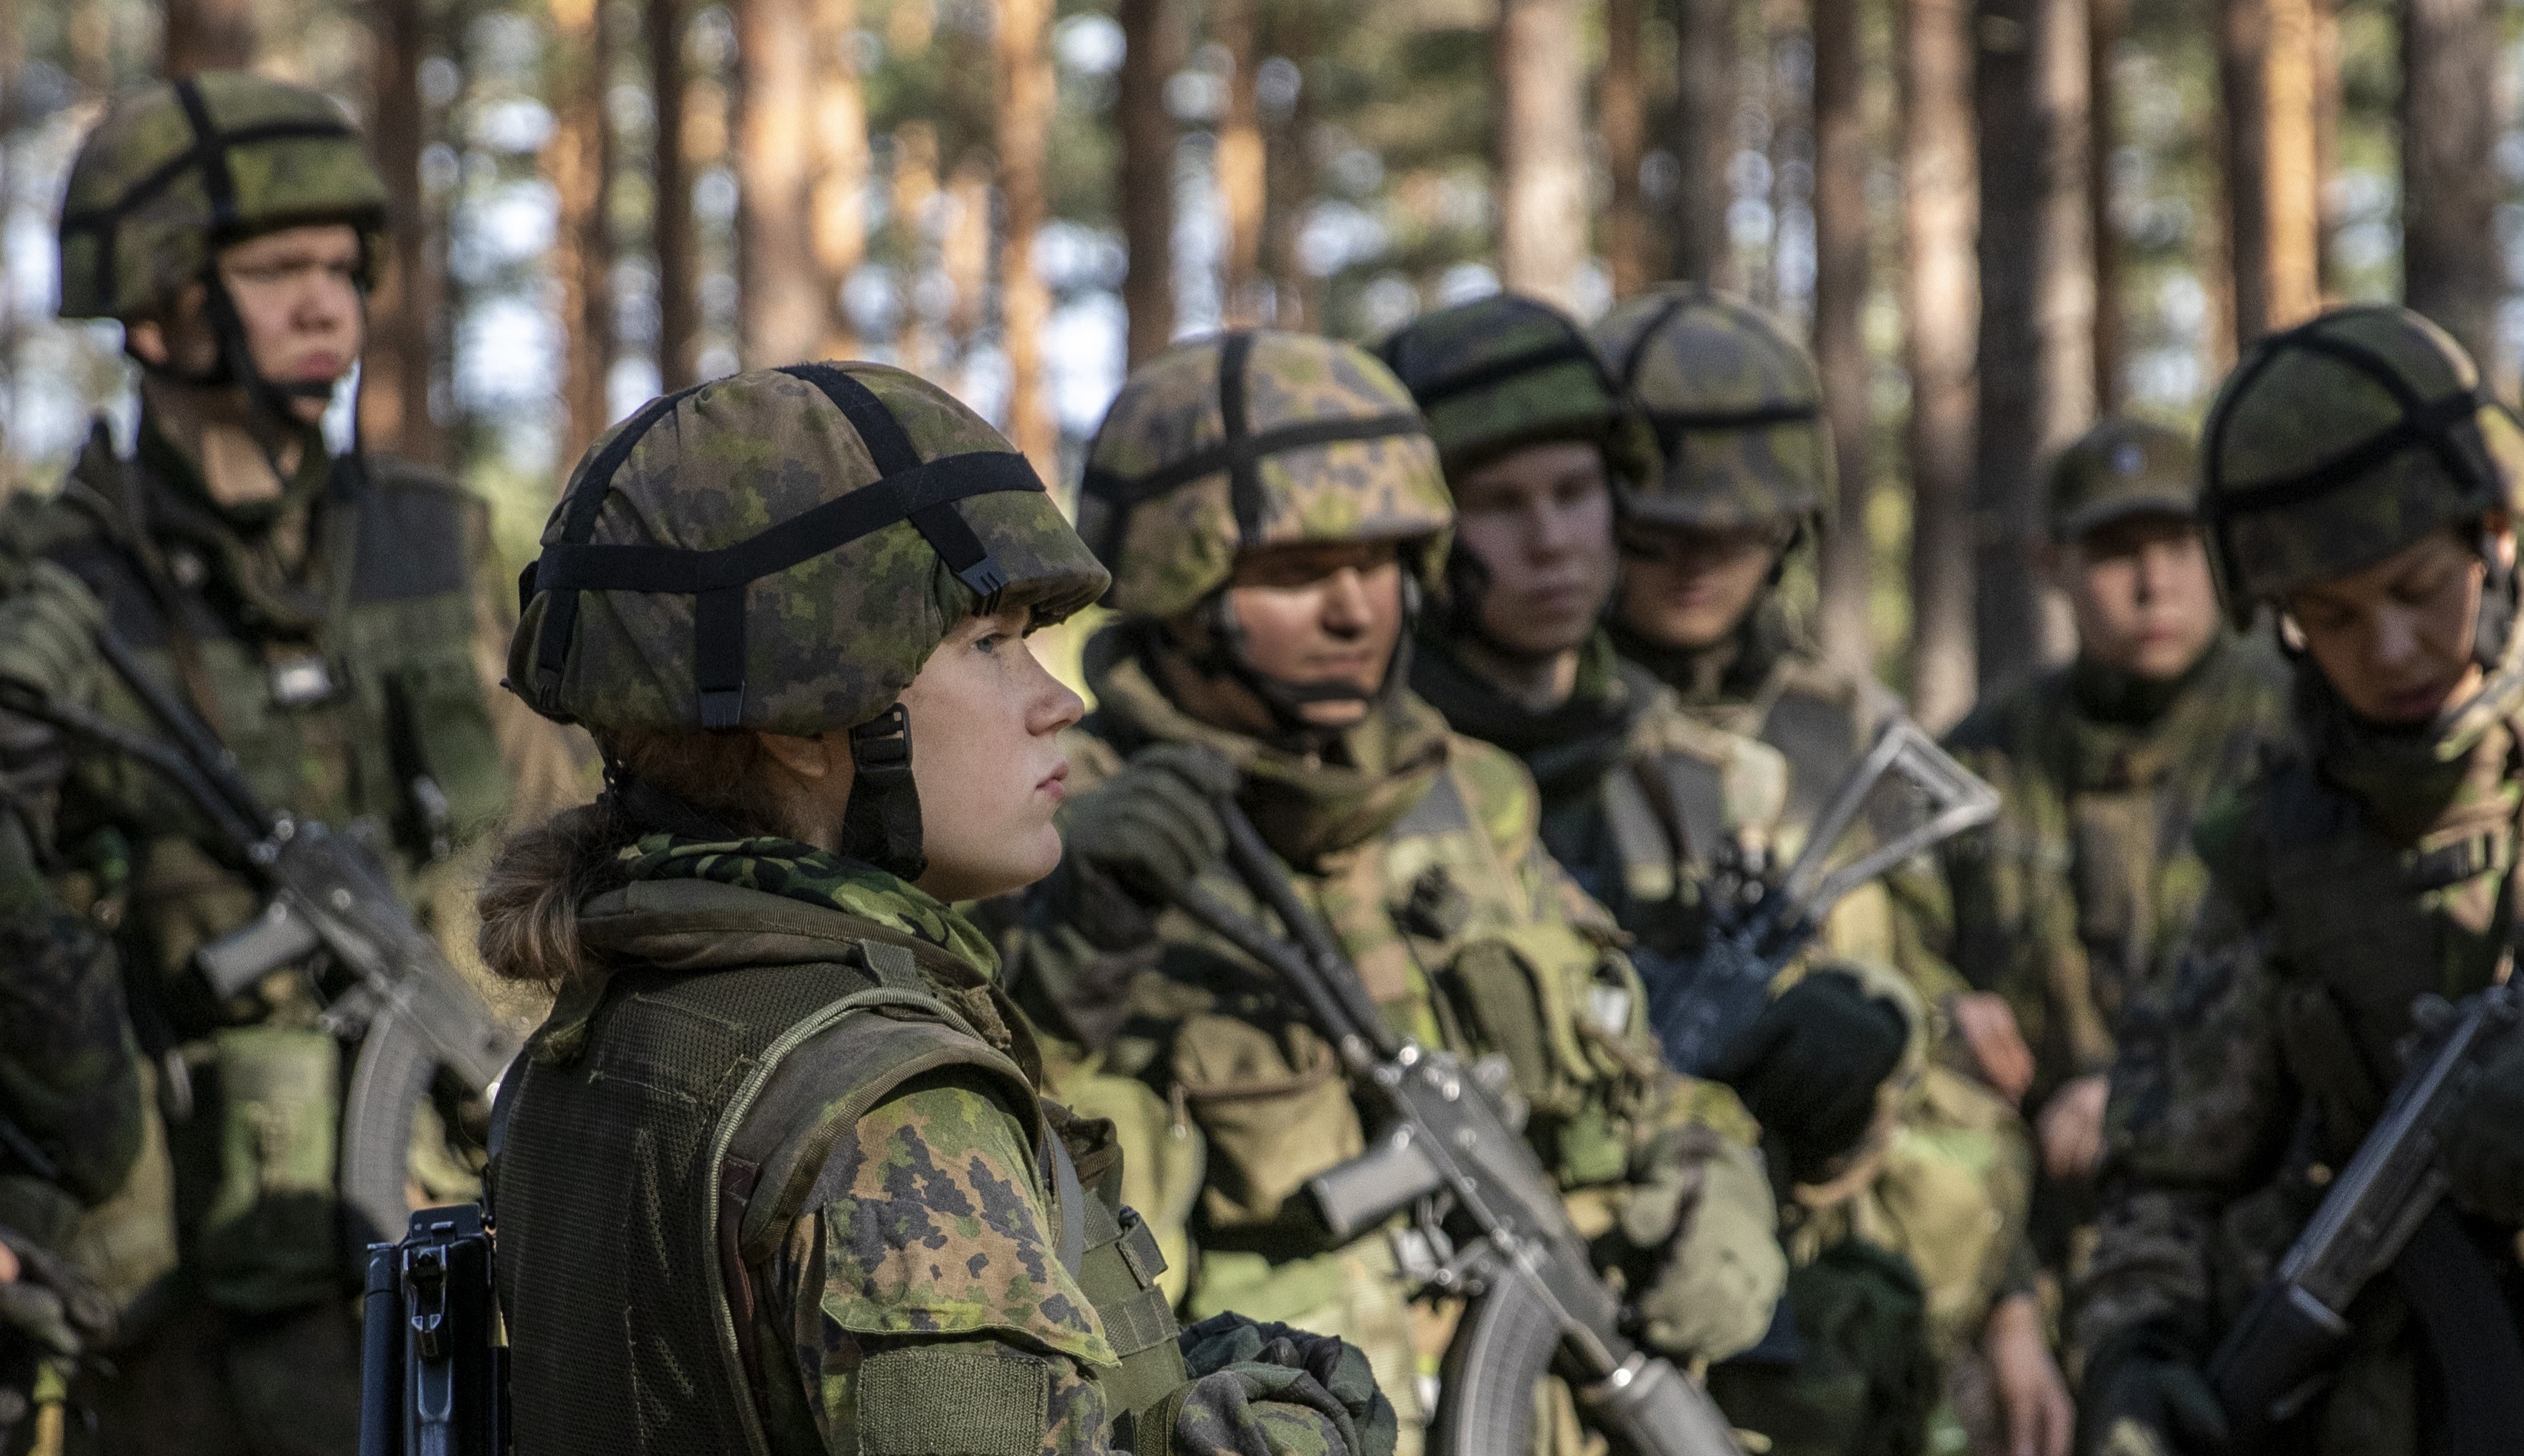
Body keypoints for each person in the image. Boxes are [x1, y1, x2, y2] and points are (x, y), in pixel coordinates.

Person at [485, 361, 1392, 1456]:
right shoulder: (891, 1106)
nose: (1055, 701)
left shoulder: (615, 1016)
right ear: (809, 719)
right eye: (989, 646)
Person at [1003, 329, 1788, 1456]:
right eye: (1297, 573)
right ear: (1181, 586)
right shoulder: (1056, 828)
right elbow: (994, 1207)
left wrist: (1715, 1168)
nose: (1354, 610)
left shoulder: (1472, 798)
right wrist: (1077, 950)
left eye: (1379, 562)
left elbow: (1628, 1077)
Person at [0, 71, 582, 1454]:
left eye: (341, 267)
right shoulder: (59, 593)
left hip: (461, 1239)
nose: (328, 304)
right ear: (152, 304)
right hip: (173, 1307)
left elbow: (571, 837)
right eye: (275, 271)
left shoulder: (432, 547)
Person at [1591, 285, 2059, 1456]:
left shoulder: (1847, 732)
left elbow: (1952, 1042)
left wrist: (2011, 1308)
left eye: (1734, 532)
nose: (1696, 564)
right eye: (1656, 533)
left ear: (1792, 528)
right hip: (1616, 1315)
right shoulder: (1533, 741)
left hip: (1841, 1332)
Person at [2076, 305, 2524, 1456]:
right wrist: (2138, 1351)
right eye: (2330, 617)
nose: (2389, 650)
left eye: (2420, 590)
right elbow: (2165, 1182)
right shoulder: (2277, 853)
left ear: (2495, 537)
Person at [1937, 418, 2291, 1344]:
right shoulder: (1981, 762)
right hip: (2033, 1251)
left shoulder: (2297, 730)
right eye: (2114, 552)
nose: (2153, 583)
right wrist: (1946, 1013)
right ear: (2049, 564)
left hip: (2260, 1238)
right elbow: (1898, 961)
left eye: (2177, 545)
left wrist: (2135, 1091)